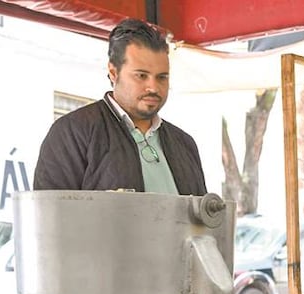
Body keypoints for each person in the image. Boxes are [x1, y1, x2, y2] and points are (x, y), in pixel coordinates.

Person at [33, 18, 206, 195]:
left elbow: (203, 218)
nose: (153, 87)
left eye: (162, 77)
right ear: (113, 73)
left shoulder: (184, 143)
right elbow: (52, 215)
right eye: (141, 76)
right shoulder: (72, 132)